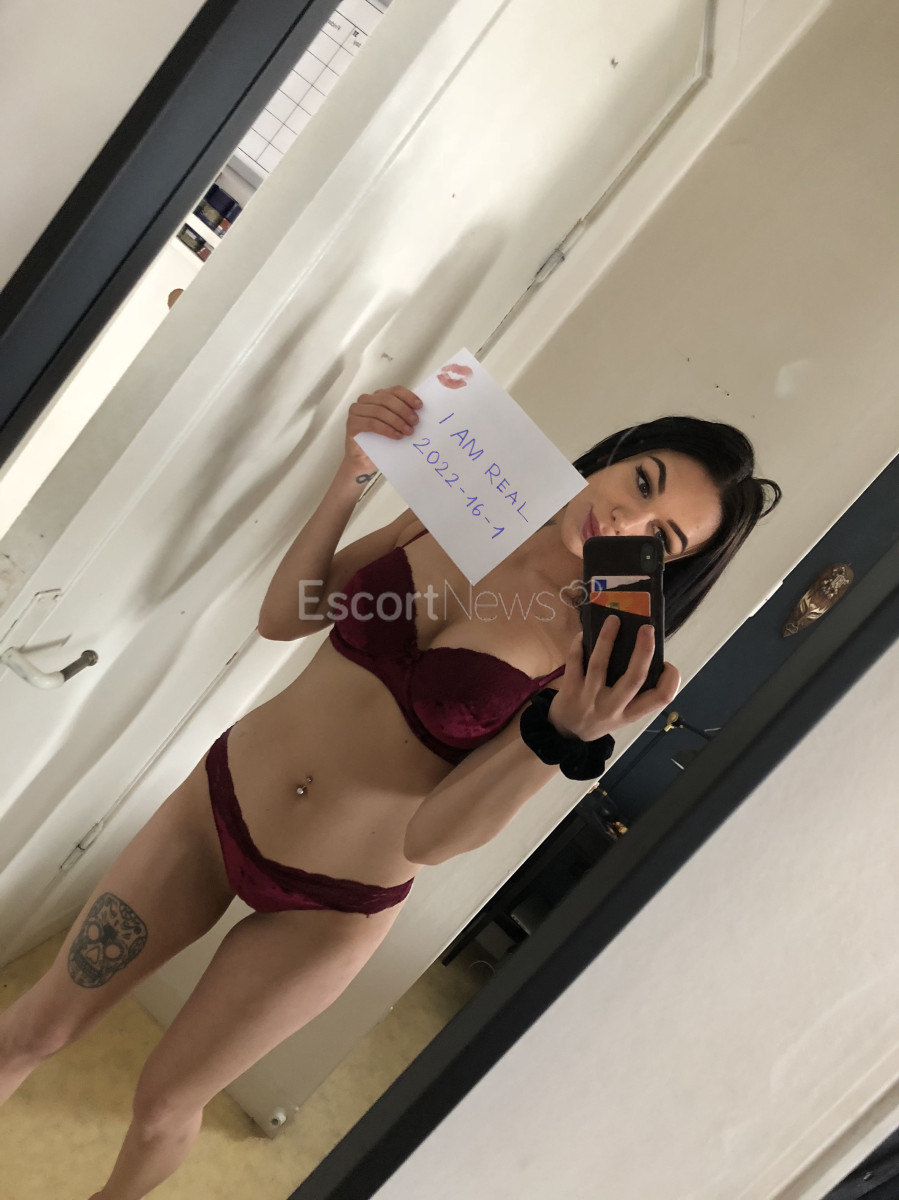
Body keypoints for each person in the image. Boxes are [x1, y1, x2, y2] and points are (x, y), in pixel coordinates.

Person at [0, 386, 780, 1198]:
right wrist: (351, 477)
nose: (625, 520)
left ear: (666, 568)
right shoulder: (466, 510)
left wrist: (561, 736)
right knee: (33, 1028)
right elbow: (285, 617)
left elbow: (431, 839)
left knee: (164, 1106)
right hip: (216, 807)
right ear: (617, 453)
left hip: (329, 908)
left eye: (661, 536)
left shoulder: (580, 661)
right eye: (643, 482)